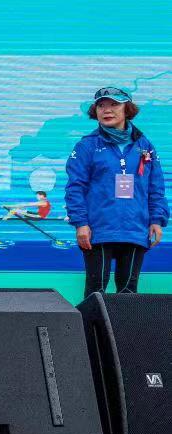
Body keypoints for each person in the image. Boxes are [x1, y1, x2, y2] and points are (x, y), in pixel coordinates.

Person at [66, 87, 166, 296]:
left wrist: (156, 220)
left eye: (114, 104)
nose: (107, 110)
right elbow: (75, 187)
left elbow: (155, 186)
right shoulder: (87, 145)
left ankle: (124, 321)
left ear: (127, 109)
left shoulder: (145, 145)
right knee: (95, 292)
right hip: (98, 229)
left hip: (135, 229)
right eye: (101, 105)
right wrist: (81, 223)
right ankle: (93, 321)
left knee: (128, 293)